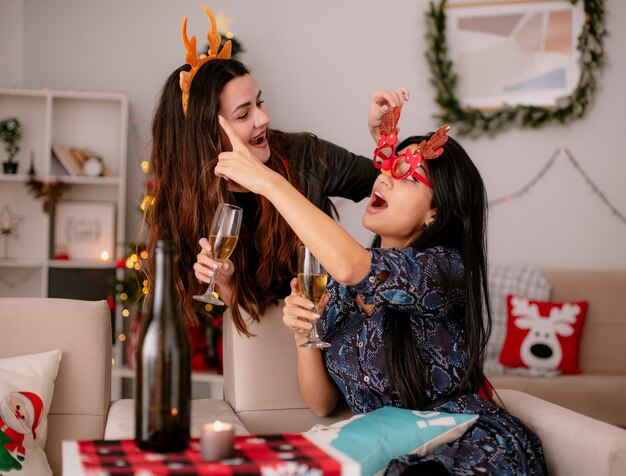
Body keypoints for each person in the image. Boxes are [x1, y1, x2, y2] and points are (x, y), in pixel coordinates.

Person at [212, 99, 547, 474]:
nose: (384, 177)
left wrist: (267, 182)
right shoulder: (341, 288)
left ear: (434, 212)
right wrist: (304, 336)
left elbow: (354, 265)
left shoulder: (445, 269)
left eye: (406, 176)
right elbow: (323, 404)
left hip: (466, 445)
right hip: (386, 454)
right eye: (387, 167)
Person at [145, 4, 406, 334]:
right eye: (244, 114)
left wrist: (382, 138)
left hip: (334, 330)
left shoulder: (304, 155)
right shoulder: (187, 202)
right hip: (269, 341)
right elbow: (236, 314)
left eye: (259, 101)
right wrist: (226, 282)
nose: (263, 118)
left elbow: (390, 189)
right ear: (206, 136)